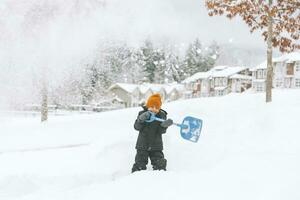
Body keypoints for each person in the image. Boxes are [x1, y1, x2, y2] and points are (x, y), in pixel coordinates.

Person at [131, 93, 173, 173]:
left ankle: (161, 176)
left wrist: (164, 126)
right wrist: (140, 120)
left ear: (159, 108)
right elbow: (137, 127)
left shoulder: (161, 116)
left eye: (156, 108)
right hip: (142, 145)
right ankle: (136, 176)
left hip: (156, 145)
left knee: (160, 162)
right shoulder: (142, 114)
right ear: (147, 106)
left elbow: (162, 131)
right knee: (140, 163)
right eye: (152, 107)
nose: (154, 109)